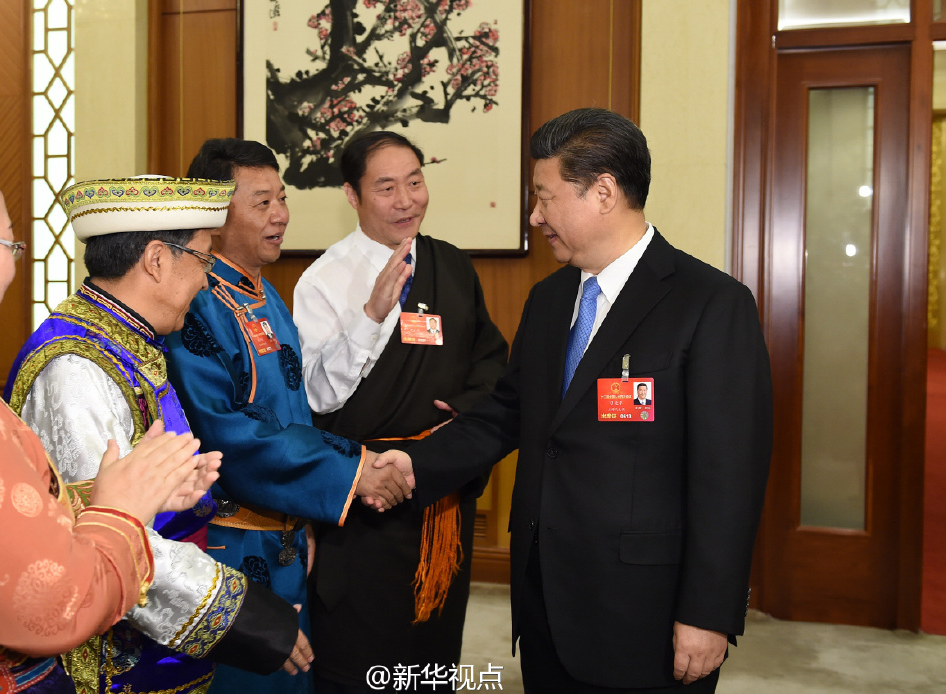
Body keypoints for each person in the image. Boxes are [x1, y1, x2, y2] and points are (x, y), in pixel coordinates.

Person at [374, 108, 773, 693]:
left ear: (603, 192)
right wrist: (416, 463)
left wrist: (709, 613)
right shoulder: (549, 299)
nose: (535, 216)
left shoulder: (711, 304)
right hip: (544, 602)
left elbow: (730, 477)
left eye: (545, 197)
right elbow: (508, 412)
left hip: (646, 613)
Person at [0, 141, 219, 693]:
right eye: (9, 243)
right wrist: (120, 511)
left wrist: (128, 494)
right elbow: (53, 604)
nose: (13, 265)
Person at [3, 176, 311, 694]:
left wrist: (169, 491)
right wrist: (251, 618)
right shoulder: (75, 367)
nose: (207, 281)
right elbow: (109, 535)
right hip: (110, 655)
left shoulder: (126, 340)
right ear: (156, 260)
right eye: (204, 259)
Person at [164, 138, 414, 694]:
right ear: (214, 215)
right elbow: (229, 435)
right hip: (229, 549)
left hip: (285, 540)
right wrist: (351, 470)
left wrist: (303, 520)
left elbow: (298, 411)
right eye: (262, 203)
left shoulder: (265, 294)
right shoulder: (195, 304)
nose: (280, 215)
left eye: (282, 198)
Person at [292, 131, 508, 693]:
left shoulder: (450, 265)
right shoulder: (324, 279)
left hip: (438, 490)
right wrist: (370, 314)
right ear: (352, 195)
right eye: (386, 188)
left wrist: (460, 416)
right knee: (361, 659)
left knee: (432, 656)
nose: (406, 200)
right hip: (366, 497)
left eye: (415, 182)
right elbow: (314, 398)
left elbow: (491, 364)